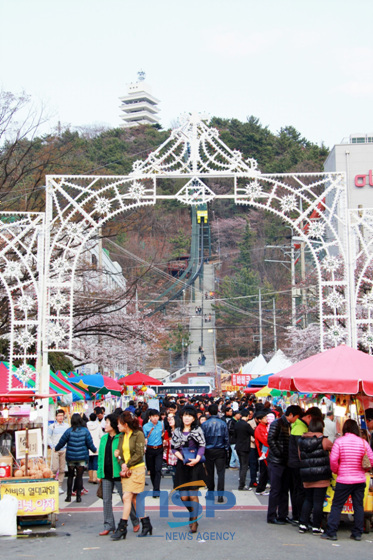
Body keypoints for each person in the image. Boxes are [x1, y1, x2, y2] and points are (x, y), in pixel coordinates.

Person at [322, 419, 373, 541]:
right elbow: (370, 459)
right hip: (360, 480)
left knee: (337, 505)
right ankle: (357, 533)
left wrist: (337, 471)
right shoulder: (363, 442)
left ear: (345, 429)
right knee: (358, 506)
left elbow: (333, 460)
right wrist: (364, 471)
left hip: (344, 479)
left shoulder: (339, 442)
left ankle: (332, 532)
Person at [97, 413, 139, 536]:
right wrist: (99, 473)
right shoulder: (104, 438)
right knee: (106, 500)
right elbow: (100, 457)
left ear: (114, 425)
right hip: (106, 474)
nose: (105, 425)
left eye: (107, 422)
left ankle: (135, 521)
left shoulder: (122, 437)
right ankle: (109, 525)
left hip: (120, 474)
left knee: (126, 499)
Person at [111, 411, 150, 540]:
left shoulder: (138, 434)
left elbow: (139, 454)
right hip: (127, 470)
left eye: (119, 424)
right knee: (133, 499)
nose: (117, 426)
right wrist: (122, 463)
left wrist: (127, 464)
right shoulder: (121, 436)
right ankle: (146, 523)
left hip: (137, 469)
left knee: (127, 496)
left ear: (125, 424)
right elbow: (119, 453)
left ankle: (122, 527)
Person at [171, 405, 206, 533]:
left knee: (193, 495)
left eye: (190, 416)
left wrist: (197, 459)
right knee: (184, 497)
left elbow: (202, 445)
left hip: (195, 465)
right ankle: (192, 513)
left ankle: (194, 521)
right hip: (182, 465)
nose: (187, 418)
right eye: (185, 415)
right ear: (181, 417)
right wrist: (181, 458)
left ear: (193, 418)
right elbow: (174, 447)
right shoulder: (177, 431)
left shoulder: (198, 430)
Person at [266, 405, 302, 525]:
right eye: (296, 417)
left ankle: (283, 515)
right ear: (291, 415)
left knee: (284, 490)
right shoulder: (277, 423)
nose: (297, 419)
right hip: (276, 462)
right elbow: (271, 440)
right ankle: (271, 515)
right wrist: (279, 453)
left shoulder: (290, 425)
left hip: (286, 462)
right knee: (276, 489)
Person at [288, 406, 323, 525]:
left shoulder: (298, 425)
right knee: (300, 491)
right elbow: (301, 449)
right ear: (308, 416)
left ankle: (298, 516)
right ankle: (298, 516)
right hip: (297, 464)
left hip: (295, 463)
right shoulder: (299, 427)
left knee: (298, 490)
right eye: (312, 420)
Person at [298, 416, 333, 534]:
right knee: (318, 501)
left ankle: (303, 524)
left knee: (308, 499)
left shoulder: (301, 441)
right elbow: (334, 451)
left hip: (307, 475)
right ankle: (316, 526)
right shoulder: (324, 441)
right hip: (321, 475)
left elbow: (300, 457)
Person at [55, 413, 97, 503]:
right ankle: (78, 497)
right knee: (79, 476)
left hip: (71, 457)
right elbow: (90, 443)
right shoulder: (85, 431)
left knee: (70, 476)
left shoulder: (69, 431)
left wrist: (56, 448)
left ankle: (68, 496)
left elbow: (61, 442)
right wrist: (94, 450)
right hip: (81, 457)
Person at [201, 403, 229, 502]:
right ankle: (220, 495)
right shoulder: (222, 423)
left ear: (208, 412)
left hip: (208, 450)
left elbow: (202, 439)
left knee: (210, 473)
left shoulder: (204, 424)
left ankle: (211, 493)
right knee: (221, 473)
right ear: (217, 411)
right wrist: (226, 449)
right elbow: (226, 438)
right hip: (220, 450)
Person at [143, 409, 164, 498]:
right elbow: (143, 437)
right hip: (150, 449)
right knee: (152, 470)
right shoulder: (146, 426)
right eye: (153, 416)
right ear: (150, 417)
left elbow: (163, 434)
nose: (155, 418)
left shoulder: (161, 424)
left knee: (158, 469)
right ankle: (155, 486)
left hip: (159, 449)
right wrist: (144, 445)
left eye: (157, 416)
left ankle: (156, 489)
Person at [48, 409, 69, 495]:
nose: (60, 417)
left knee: (62, 469)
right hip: (55, 449)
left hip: (64, 449)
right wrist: (52, 446)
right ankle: (52, 484)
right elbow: (48, 437)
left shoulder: (67, 426)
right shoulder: (52, 426)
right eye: (59, 416)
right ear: (56, 417)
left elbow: (68, 437)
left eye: (62, 415)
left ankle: (59, 486)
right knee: (54, 468)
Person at [235, 409, 255, 491]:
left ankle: (241, 483)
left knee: (241, 465)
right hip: (245, 447)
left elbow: (235, 434)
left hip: (238, 446)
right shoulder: (246, 425)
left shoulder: (237, 424)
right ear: (247, 416)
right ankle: (242, 485)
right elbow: (253, 433)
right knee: (244, 466)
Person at [254, 410, 270, 496]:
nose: (266, 419)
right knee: (264, 471)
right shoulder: (260, 428)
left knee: (265, 471)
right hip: (263, 453)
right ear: (260, 420)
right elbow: (265, 441)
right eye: (265, 418)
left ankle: (261, 488)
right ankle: (260, 489)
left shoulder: (264, 427)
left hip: (266, 452)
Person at [87, 412, 103, 484]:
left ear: (89, 418)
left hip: (88, 446)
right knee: (95, 462)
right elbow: (101, 436)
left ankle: (90, 477)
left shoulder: (86, 426)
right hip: (97, 445)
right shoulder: (98, 426)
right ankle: (94, 478)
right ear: (96, 418)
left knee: (89, 462)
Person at [163, 413, 178, 484]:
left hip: (179, 456)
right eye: (169, 419)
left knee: (179, 474)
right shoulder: (168, 431)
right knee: (174, 474)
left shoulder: (179, 432)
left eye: (172, 419)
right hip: (171, 455)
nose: (170, 421)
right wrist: (165, 443)